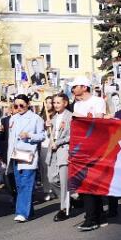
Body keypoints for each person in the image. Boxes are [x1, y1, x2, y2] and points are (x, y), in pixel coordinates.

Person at [72, 78, 110, 232]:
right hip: (82, 146)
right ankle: (95, 216)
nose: (73, 89)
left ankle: (93, 218)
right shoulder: (77, 104)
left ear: (84, 87)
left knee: (93, 182)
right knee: (86, 182)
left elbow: (98, 121)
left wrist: (79, 117)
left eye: (75, 86)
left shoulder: (98, 101)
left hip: (97, 146)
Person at [6, 94, 46, 223]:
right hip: (15, 155)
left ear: (28, 104)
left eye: (21, 105)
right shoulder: (13, 118)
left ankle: (22, 213)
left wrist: (29, 135)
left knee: (26, 184)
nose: (19, 108)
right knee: (19, 185)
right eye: (16, 105)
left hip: (28, 154)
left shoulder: (36, 119)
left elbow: (42, 136)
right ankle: (30, 211)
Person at [47, 92, 73, 222]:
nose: (55, 105)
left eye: (58, 102)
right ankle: (70, 197)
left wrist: (58, 142)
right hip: (52, 152)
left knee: (64, 182)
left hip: (64, 150)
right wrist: (47, 127)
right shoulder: (52, 118)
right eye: (54, 103)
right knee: (51, 179)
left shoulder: (71, 117)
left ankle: (64, 209)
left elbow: (72, 136)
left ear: (65, 103)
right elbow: (50, 135)